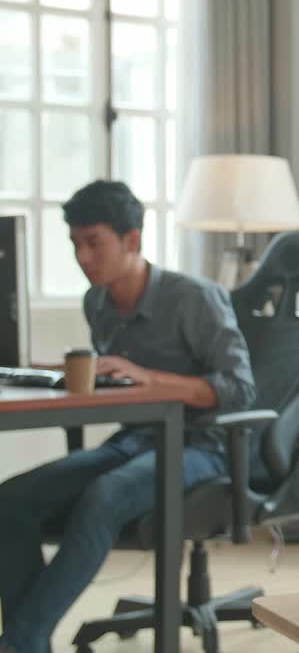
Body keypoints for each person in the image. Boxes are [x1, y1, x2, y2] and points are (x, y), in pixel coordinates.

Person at [0, 180, 256, 653]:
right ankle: (28, 639)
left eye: (93, 242)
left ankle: (22, 638)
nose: (82, 256)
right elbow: (111, 378)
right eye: (75, 244)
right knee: (10, 501)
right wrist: (50, 372)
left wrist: (149, 378)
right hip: (134, 440)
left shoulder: (194, 298)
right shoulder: (96, 302)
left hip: (201, 447)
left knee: (104, 496)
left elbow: (240, 390)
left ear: (132, 240)